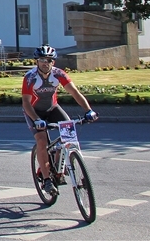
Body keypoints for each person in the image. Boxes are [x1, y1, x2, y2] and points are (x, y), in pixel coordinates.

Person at [22, 45, 98, 195]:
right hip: (34, 113)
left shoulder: (59, 74)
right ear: (36, 61)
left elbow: (75, 93)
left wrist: (88, 110)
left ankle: (61, 167)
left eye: (49, 60)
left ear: (53, 62)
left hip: (52, 108)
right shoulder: (30, 77)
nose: (46, 63)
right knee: (42, 141)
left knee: (69, 133)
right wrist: (37, 119)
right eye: (42, 60)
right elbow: (26, 102)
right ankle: (47, 180)